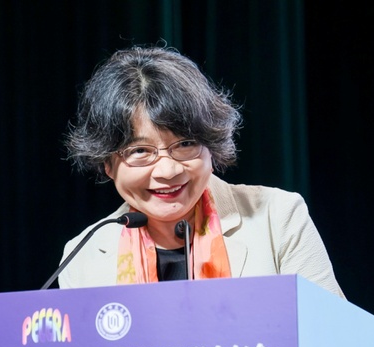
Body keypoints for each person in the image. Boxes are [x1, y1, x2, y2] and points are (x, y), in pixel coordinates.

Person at [59, 46, 343, 298]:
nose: (168, 170)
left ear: (212, 146)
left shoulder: (277, 217)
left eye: (185, 144)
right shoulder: (83, 256)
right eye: (140, 151)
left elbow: (332, 332)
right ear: (107, 164)